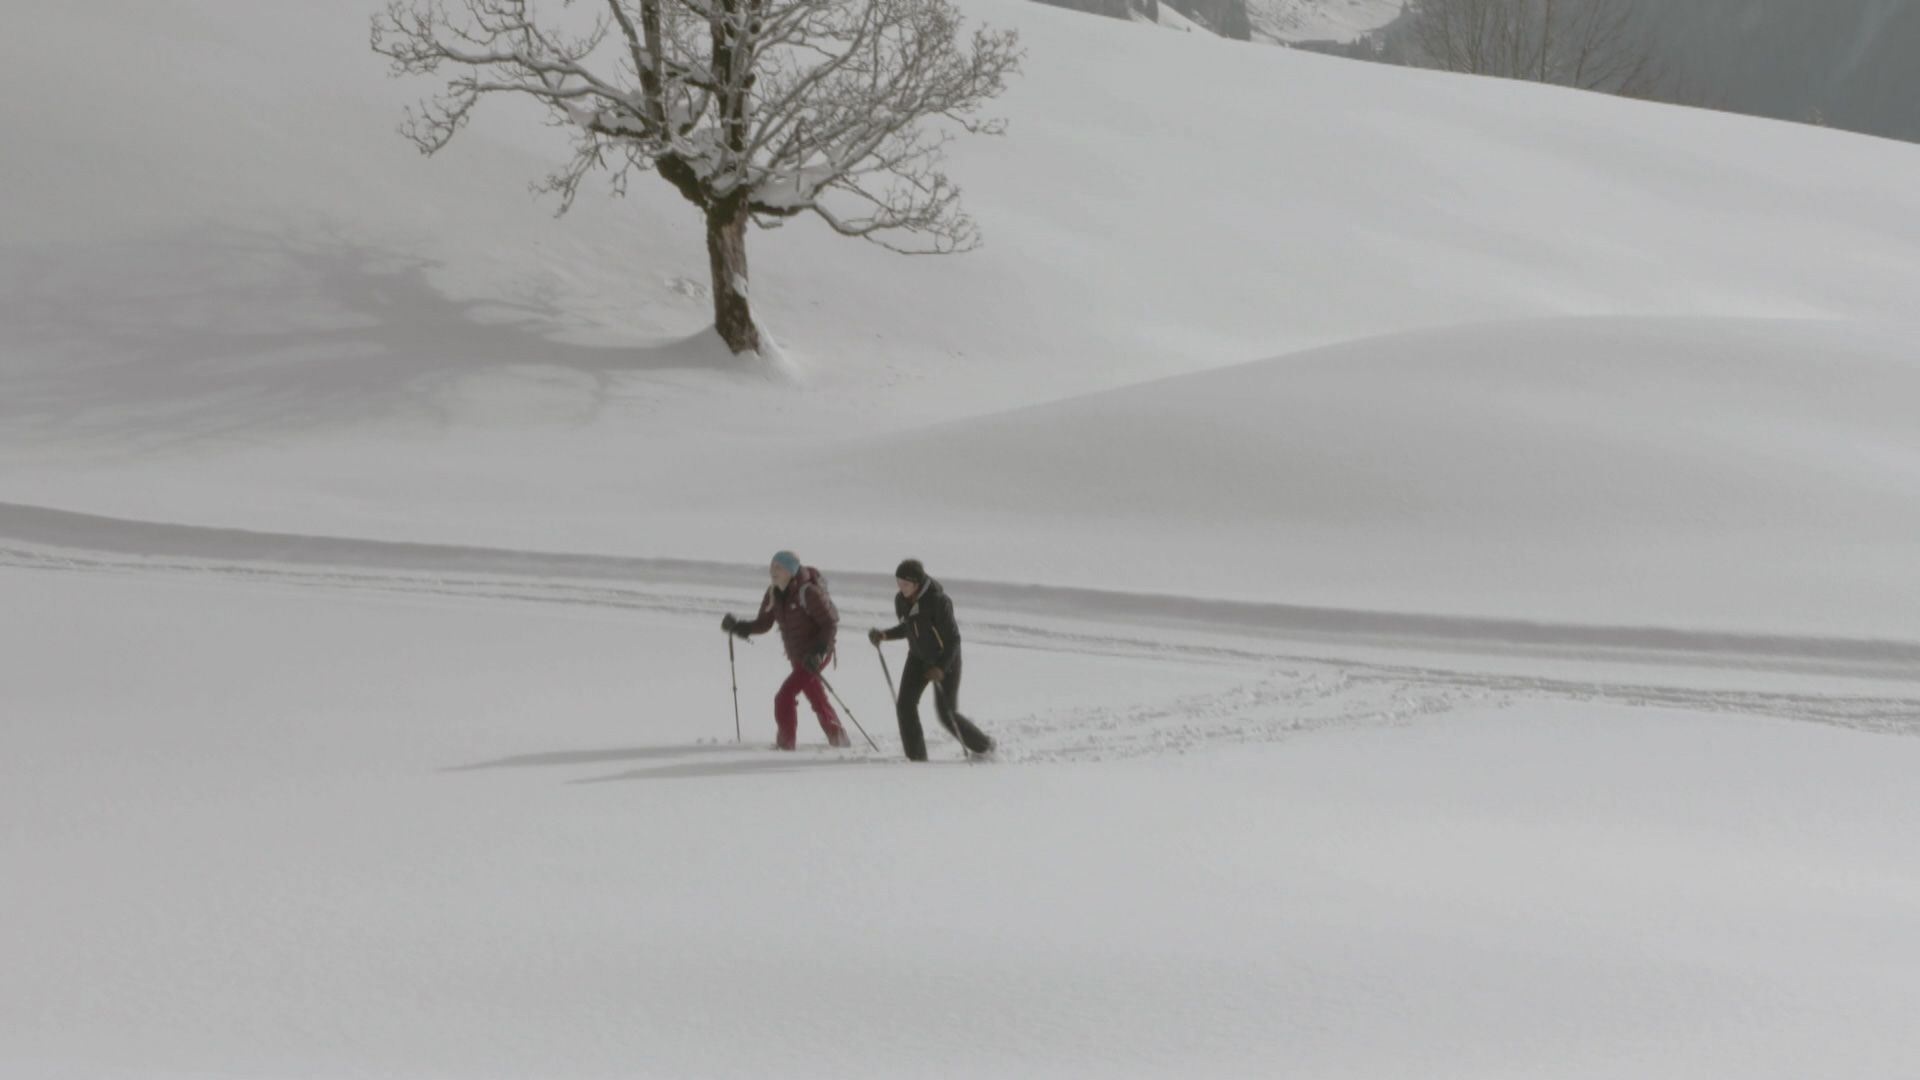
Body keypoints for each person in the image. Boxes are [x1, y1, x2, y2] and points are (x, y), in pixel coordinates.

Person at [867, 559, 995, 761]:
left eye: (905, 584)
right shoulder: (901, 600)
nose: (901, 588)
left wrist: (941, 668)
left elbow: (953, 640)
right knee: (905, 706)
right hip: (918, 657)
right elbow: (909, 628)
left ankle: (985, 746)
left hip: (945, 660)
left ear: (917, 583)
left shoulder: (938, 601)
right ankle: (917, 759)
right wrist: (884, 635)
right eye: (898, 583)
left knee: (946, 714)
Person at [722, 551, 851, 750]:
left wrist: (818, 652)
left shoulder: (809, 593)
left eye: (779, 568)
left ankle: (785, 745)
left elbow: (830, 623)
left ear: (790, 571)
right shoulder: (773, 593)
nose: (773, 571)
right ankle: (839, 739)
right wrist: (738, 627)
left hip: (817, 654)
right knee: (816, 697)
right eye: (772, 566)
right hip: (798, 655)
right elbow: (763, 624)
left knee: (784, 696)